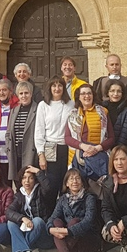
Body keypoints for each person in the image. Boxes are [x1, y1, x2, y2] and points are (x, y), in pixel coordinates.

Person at [45, 169, 101, 252]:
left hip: (87, 242)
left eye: (77, 178)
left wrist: (67, 231)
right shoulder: (63, 199)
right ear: (66, 183)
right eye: (71, 179)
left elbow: (89, 221)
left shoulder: (89, 198)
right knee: (56, 222)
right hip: (70, 244)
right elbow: (52, 218)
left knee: (74, 221)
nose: (74, 181)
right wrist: (50, 229)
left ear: (82, 182)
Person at [34, 76, 74, 212]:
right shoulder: (43, 105)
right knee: (51, 186)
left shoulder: (71, 104)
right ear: (50, 88)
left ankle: (64, 216)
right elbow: (39, 131)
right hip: (50, 148)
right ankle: (49, 217)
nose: (57, 89)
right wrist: (41, 155)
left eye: (60, 86)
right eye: (54, 86)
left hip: (68, 148)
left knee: (66, 184)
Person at [65, 84, 113, 185]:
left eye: (89, 93)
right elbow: (67, 138)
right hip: (77, 159)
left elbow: (111, 138)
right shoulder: (72, 114)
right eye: (83, 93)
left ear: (93, 95)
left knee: (99, 191)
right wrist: (83, 146)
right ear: (78, 97)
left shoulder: (103, 112)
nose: (86, 96)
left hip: (99, 159)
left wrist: (97, 149)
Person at [6, 165, 53, 252]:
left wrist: (37, 171)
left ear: (35, 180)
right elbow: (9, 212)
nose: (27, 181)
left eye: (30, 178)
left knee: (37, 221)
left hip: (43, 235)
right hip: (29, 234)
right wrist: (23, 218)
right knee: (11, 222)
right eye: (24, 178)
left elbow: (48, 188)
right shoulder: (19, 195)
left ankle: (19, 250)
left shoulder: (41, 191)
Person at [6, 81, 38, 189]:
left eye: (26, 93)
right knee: (18, 182)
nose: (23, 96)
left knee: (30, 182)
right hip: (15, 152)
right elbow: (8, 132)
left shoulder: (37, 109)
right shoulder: (14, 111)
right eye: (21, 93)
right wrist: (8, 148)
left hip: (30, 152)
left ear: (31, 94)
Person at [0, 78, 19, 180]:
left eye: (4, 90)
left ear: (10, 91)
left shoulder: (18, 106)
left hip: (14, 155)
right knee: (3, 186)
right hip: (0, 155)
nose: (1, 93)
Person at [102, 79, 127, 147]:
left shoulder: (126, 111)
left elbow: (124, 134)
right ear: (107, 92)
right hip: (103, 147)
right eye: (112, 91)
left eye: (119, 91)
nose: (115, 94)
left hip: (119, 148)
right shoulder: (102, 108)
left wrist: (118, 150)